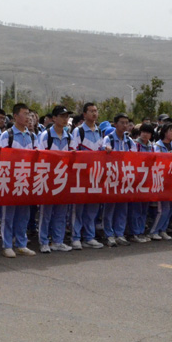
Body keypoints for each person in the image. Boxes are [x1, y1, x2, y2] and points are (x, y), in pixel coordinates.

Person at [0, 103, 38, 258]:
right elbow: (0, 158)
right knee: (8, 214)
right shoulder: (7, 135)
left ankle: (21, 243)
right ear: (15, 116)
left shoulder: (32, 136)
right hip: (10, 180)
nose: (28, 117)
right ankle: (7, 244)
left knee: (24, 213)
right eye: (24, 113)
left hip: (26, 180)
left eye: (29, 114)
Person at [36, 105, 73, 253]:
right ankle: (43, 241)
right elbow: (40, 157)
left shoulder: (68, 136)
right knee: (46, 212)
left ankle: (58, 241)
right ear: (54, 118)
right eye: (62, 116)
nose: (65, 119)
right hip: (48, 178)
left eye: (66, 116)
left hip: (63, 178)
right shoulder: (46, 136)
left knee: (61, 212)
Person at [69, 102, 104, 249]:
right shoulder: (78, 132)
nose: (94, 114)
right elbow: (73, 151)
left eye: (96, 111)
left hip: (95, 175)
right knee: (78, 208)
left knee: (92, 209)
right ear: (84, 114)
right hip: (81, 176)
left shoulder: (100, 132)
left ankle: (89, 237)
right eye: (91, 111)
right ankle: (76, 237)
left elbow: (101, 150)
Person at [100, 114, 135, 247]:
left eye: (127, 123)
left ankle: (120, 234)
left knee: (122, 208)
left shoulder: (130, 141)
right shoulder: (108, 139)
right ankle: (109, 234)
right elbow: (103, 154)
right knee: (110, 208)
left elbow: (134, 158)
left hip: (125, 178)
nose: (125, 125)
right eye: (122, 122)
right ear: (115, 124)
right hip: (111, 177)